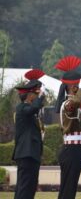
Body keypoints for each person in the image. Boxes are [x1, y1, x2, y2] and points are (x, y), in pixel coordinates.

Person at [54, 55, 81, 199]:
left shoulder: (71, 103)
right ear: (72, 86)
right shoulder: (68, 104)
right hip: (71, 149)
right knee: (68, 187)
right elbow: (78, 100)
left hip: (75, 149)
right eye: (77, 85)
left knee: (70, 186)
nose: (78, 87)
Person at [12, 69, 45, 199]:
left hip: (32, 154)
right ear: (30, 95)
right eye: (36, 94)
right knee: (24, 186)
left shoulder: (30, 110)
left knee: (30, 186)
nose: (37, 98)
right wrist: (41, 96)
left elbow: (35, 110)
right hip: (26, 153)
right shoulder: (22, 108)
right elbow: (32, 109)